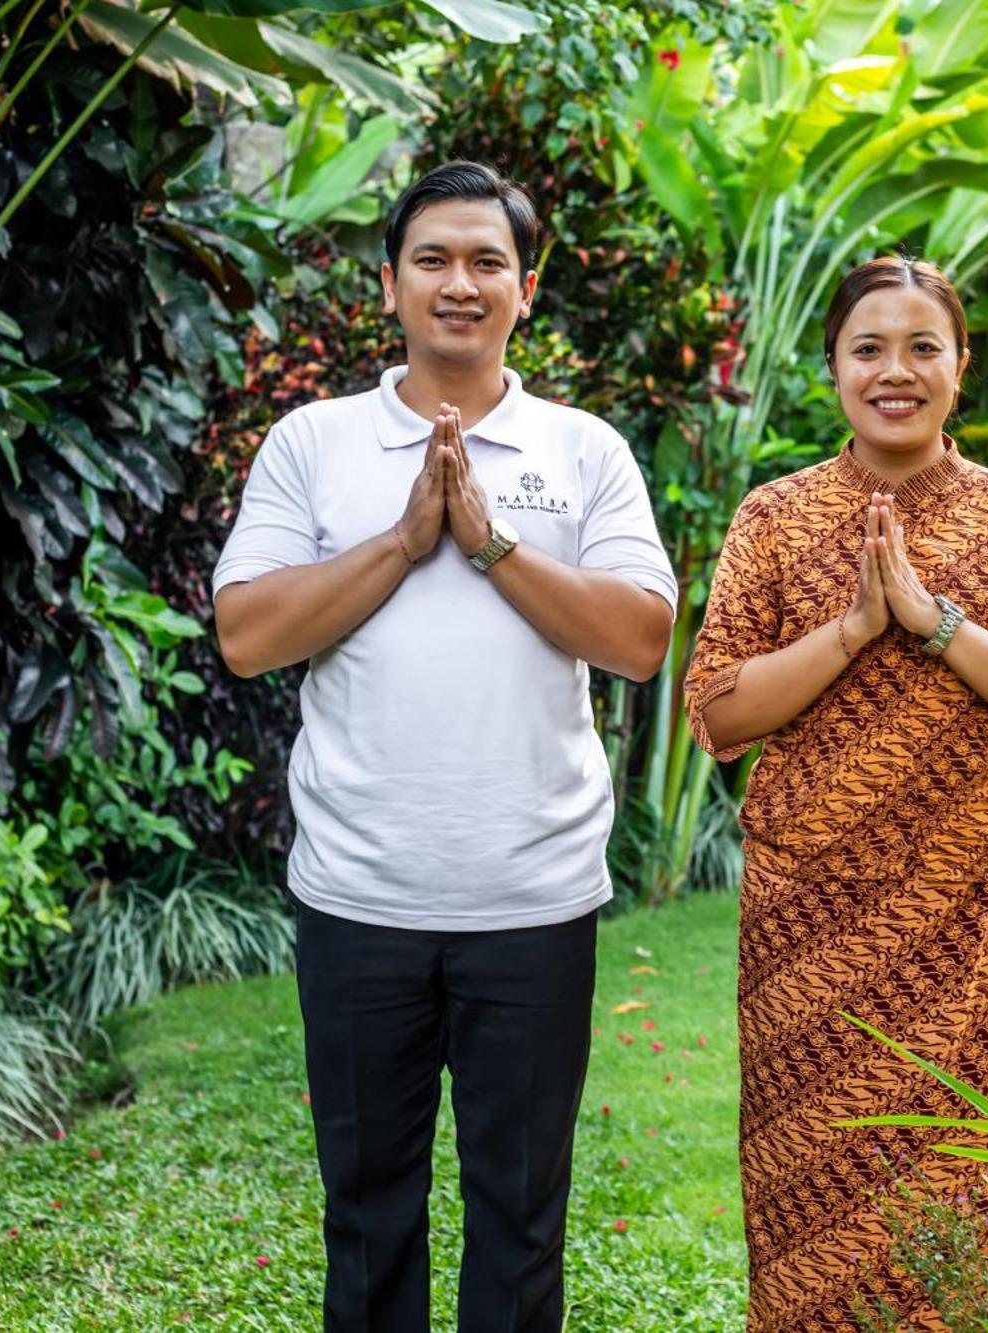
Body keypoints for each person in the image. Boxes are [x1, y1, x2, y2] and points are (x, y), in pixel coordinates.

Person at [210, 160, 676, 1332]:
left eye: (485, 262)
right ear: (388, 286)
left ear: (526, 287)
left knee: (521, 1218)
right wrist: (406, 539)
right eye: (432, 260)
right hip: (359, 900)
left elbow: (639, 638)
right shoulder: (312, 443)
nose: (458, 284)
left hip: (532, 901)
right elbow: (247, 633)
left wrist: (495, 546)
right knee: (366, 1215)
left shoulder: (583, 451)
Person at [683, 255, 988, 1329]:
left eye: (922, 347)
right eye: (869, 347)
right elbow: (719, 713)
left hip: (971, 919)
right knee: (809, 1221)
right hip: (808, 930)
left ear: (959, 367)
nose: (895, 370)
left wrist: (935, 623)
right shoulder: (774, 518)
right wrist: (852, 630)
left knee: (968, 1198)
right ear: (832, 367)